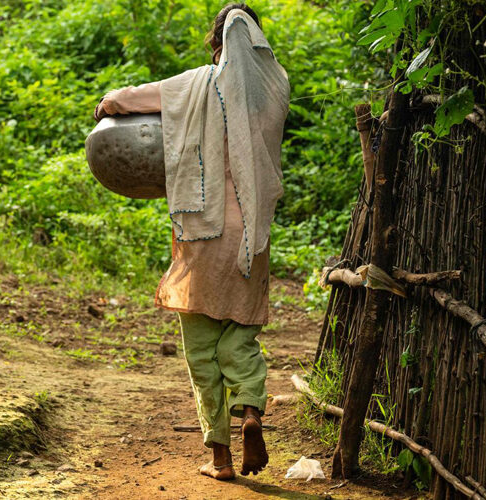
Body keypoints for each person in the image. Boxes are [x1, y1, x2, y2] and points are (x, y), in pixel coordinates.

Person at [94, 3, 289, 481]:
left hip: (201, 230)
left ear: (217, 42)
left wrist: (109, 104)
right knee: (240, 332)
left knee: (200, 346)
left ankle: (220, 458)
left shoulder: (198, 83)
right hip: (250, 236)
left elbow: (132, 99)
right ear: (258, 41)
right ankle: (250, 413)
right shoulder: (274, 89)